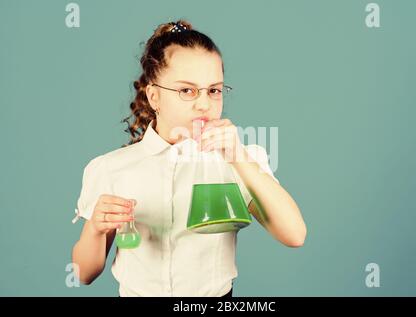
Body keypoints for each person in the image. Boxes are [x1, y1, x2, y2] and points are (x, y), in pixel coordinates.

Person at [71, 20, 307, 297]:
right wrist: (96, 231)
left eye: (214, 90)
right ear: (154, 96)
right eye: (187, 90)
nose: (204, 104)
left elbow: (295, 235)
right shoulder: (112, 168)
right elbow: (83, 274)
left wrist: (238, 156)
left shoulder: (239, 162)